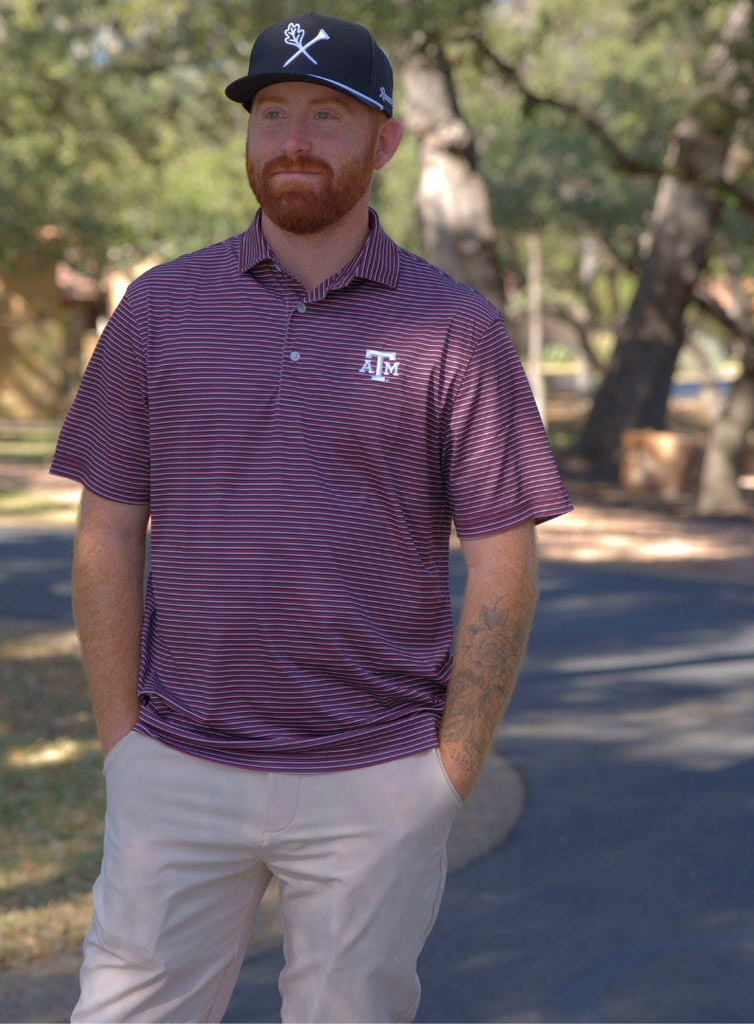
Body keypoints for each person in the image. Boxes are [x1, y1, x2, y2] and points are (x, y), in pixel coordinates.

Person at [50, 11, 572, 1022]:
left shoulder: (453, 328)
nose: (292, 139)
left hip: (373, 778)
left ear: (384, 140)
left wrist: (447, 773)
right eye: (271, 113)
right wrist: (126, 746)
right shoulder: (159, 309)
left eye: (326, 115)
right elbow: (107, 529)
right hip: (178, 766)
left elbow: (503, 563)